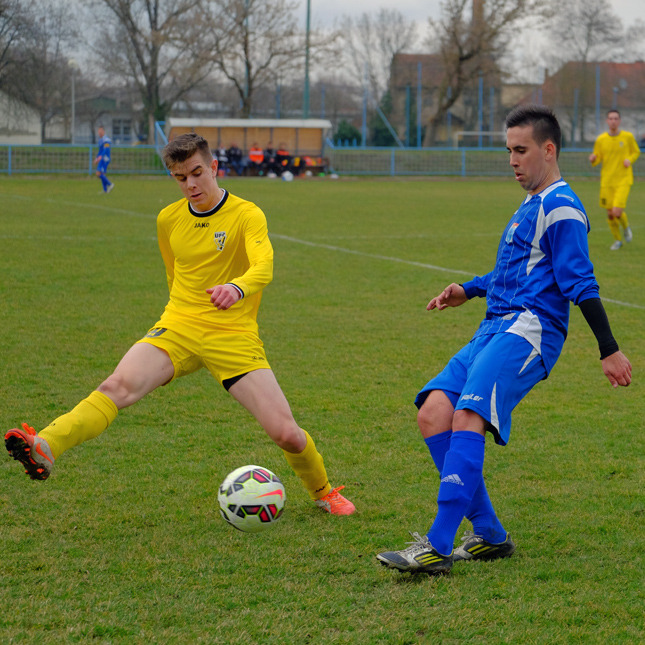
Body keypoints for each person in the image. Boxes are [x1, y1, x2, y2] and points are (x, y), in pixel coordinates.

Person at [5, 133, 355, 517]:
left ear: (214, 167)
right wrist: (177, 317)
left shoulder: (246, 214)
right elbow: (174, 275)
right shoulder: (168, 219)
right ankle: (46, 445)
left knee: (286, 433)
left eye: (196, 173)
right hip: (179, 326)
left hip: (232, 334)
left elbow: (264, 266)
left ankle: (323, 491)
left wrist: (236, 288)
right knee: (116, 386)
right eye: (180, 177)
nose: (190, 184)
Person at [377, 104, 631, 576]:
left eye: (521, 150)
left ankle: (437, 546)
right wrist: (468, 289)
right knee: (433, 411)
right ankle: (490, 535)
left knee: (468, 415)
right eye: (508, 151)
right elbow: (513, 271)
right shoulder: (532, 204)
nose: (512, 160)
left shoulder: (561, 207)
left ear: (548, 150)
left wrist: (608, 347)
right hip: (494, 326)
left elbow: (580, 282)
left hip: (529, 330)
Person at [589, 109, 640, 250]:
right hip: (607, 181)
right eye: (610, 118)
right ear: (607, 121)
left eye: (616, 118)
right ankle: (618, 240)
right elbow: (597, 157)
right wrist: (593, 159)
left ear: (619, 121)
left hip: (623, 180)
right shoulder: (601, 139)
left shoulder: (627, 137)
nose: (613, 121)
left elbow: (636, 151)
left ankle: (626, 227)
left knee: (617, 211)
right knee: (610, 215)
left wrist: (629, 160)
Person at [93, 125, 114, 193]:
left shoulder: (106, 139)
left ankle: (110, 184)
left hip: (105, 158)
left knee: (98, 173)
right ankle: (105, 190)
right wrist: (97, 158)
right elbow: (100, 151)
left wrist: (100, 157)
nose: (99, 132)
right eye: (98, 131)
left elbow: (106, 149)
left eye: (101, 131)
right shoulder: (100, 140)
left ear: (103, 131)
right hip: (102, 158)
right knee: (101, 174)